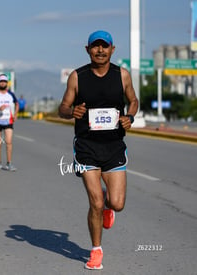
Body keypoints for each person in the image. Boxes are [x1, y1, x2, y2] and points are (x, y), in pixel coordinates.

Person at [58, 30, 138, 270]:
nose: (100, 50)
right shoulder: (77, 76)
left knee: (118, 203)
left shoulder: (122, 75)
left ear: (112, 50)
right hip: (86, 146)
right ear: (88, 49)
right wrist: (72, 112)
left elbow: (133, 100)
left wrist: (130, 117)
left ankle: (107, 205)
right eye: (95, 46)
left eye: (105, 46)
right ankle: (96, 251)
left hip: (114, 146)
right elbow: (63, 106)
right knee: (94, 202)